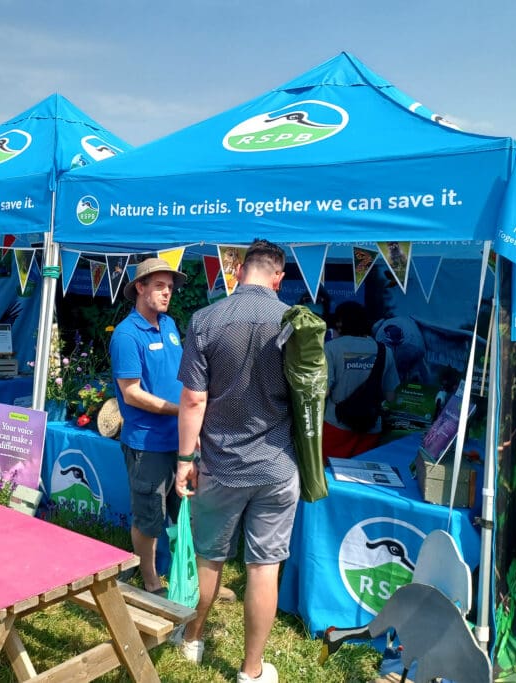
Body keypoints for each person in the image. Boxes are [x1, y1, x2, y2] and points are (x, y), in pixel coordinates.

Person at [174, 239, 298, 683]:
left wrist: (184, 459)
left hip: (221, 464)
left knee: (209, 558)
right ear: (278, 277)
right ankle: (251, 670)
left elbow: (192, 400)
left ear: (240, 269)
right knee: (264, 566)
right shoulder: (292, 324)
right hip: (277, 465)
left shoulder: (205, 320)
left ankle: (191, 639)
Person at [109, 257, 187, 596]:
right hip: (147, 443)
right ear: (139, 288)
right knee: (149, 518)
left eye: (169, 287)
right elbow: (131, 393)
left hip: (179, 439)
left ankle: (188, 578)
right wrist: (178, 410)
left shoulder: (169, 325)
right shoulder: (127, 335)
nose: (167, 292)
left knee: (184, 515)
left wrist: (191, 411)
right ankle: (151, 581)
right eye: (159, 285)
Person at [323, 301, 401, 459]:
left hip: (336, 426)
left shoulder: (331, 348)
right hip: (370, 428)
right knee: (359, 478)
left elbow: (324, 391)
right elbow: (391, 396)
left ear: (340, 323)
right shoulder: (384, 351)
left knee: (330, 477)